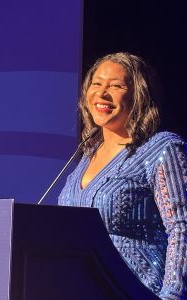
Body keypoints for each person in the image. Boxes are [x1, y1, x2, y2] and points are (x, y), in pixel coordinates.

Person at [58, 52, 187, 299]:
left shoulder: (161, 148)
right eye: (96, 83)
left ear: (139, 94)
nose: (102, 93)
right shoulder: (88, 154)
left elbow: (181, 227)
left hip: (136, 292)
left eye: (115, 86)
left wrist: (172, 295)